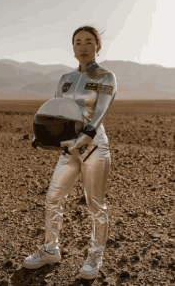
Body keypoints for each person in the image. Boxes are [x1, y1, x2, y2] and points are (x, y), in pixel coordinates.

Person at [23, 25, 117, 280]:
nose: (83, 46)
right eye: (78, 42)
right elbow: (56, 111)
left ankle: (95, 256)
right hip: (68, 149)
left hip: (94, 147)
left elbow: (99, 113)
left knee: (95, 206)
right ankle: (50, 249)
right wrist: (42, 137)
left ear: (97, 46)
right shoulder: (65, 78)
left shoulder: (106, 77)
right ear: (73, 48)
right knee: (53, 198)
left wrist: (84, 138)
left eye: (89, 41)